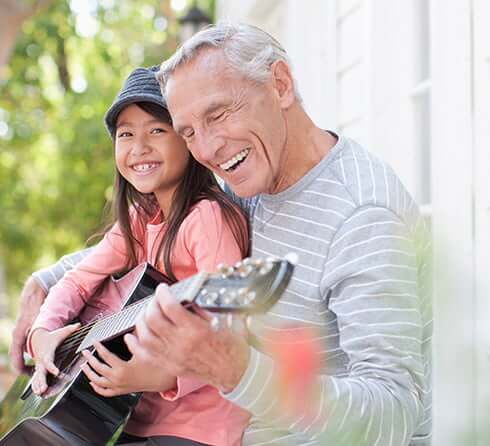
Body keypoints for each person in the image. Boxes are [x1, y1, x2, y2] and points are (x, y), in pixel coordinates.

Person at [11, 23, 432, 445]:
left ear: (280, 85)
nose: (208, 150)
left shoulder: (361, 215)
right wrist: (45, 283)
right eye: (189, 132)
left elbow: (393, 412)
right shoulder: (248, 182)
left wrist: (239, 371)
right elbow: (147, 235)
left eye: (217, 114)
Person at [26, 65, 250, 446]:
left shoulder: (206, 220)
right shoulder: (138, 220)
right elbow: (78, 280)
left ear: (188, 140)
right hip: (140, 416)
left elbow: (229, 328)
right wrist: (42, 334)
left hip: (200, 425)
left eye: (157, 130)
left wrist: (159, 377)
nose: (139, 147)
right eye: (125, 134)